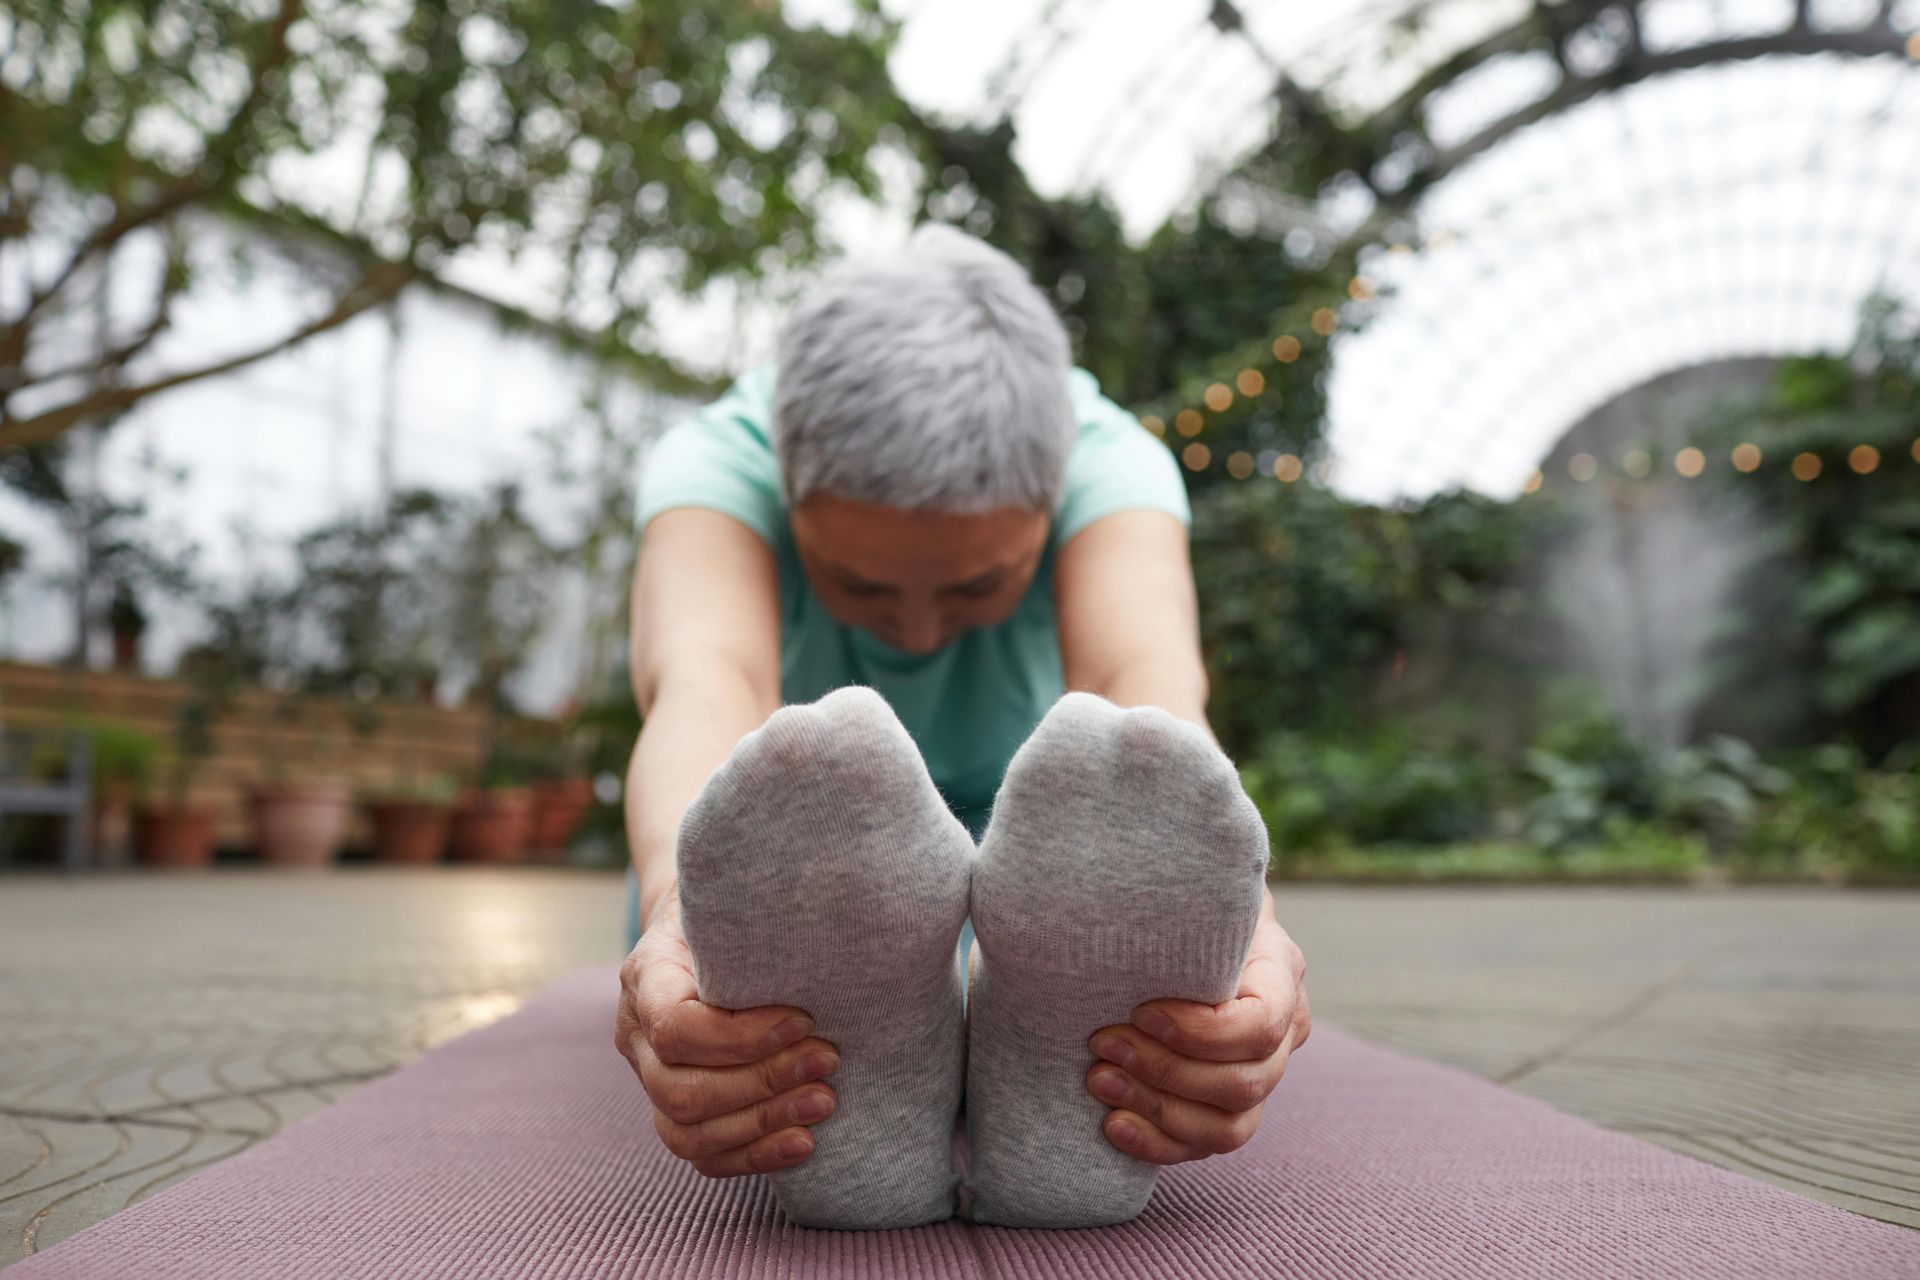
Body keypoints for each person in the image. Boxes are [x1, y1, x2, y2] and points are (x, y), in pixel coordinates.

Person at [613, 223, 1310, 1228]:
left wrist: (1247, 929)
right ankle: (907, 1029)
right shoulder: (719, 459)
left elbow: (1146, 697)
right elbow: (704, 679)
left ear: (1052, 497)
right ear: (788, 490)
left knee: (1085, 878)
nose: (915, 632)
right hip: (794, 873)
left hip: (1039, 865)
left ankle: (997, 1029)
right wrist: (678, 911)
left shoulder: (1112, 460)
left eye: (978, 584)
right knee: (800, 906)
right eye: (859, 583)